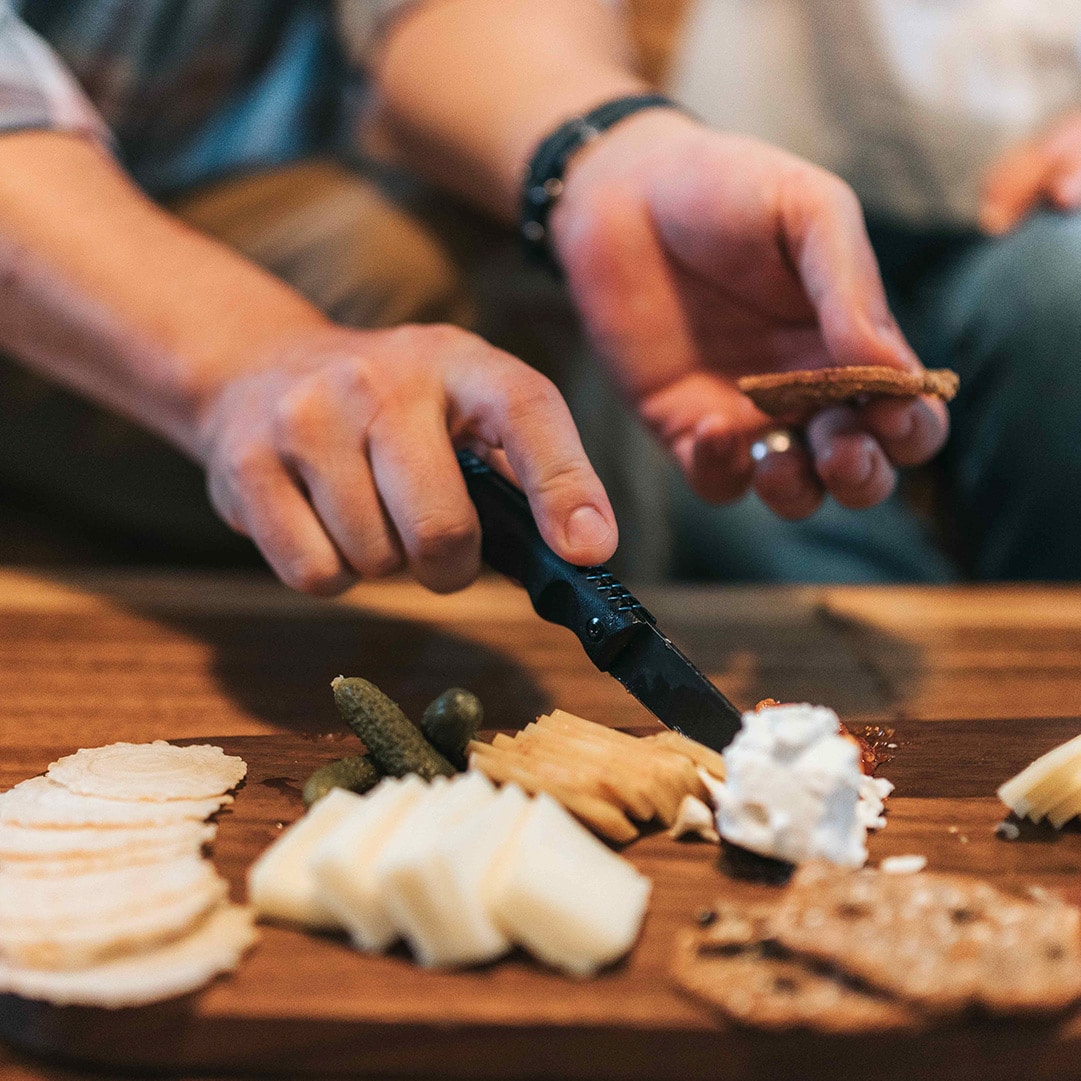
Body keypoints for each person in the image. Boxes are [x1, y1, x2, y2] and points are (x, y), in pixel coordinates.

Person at [0, 0, 948, 595]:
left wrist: (604, 150)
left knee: (472, 258)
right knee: (399, 276)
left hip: (273, 184)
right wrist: (253, 356)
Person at [660, 0, 1081, 582]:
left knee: (1069, 291)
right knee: (740, 493)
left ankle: (1045, 654)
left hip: (1040, 210)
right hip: (762, 188)